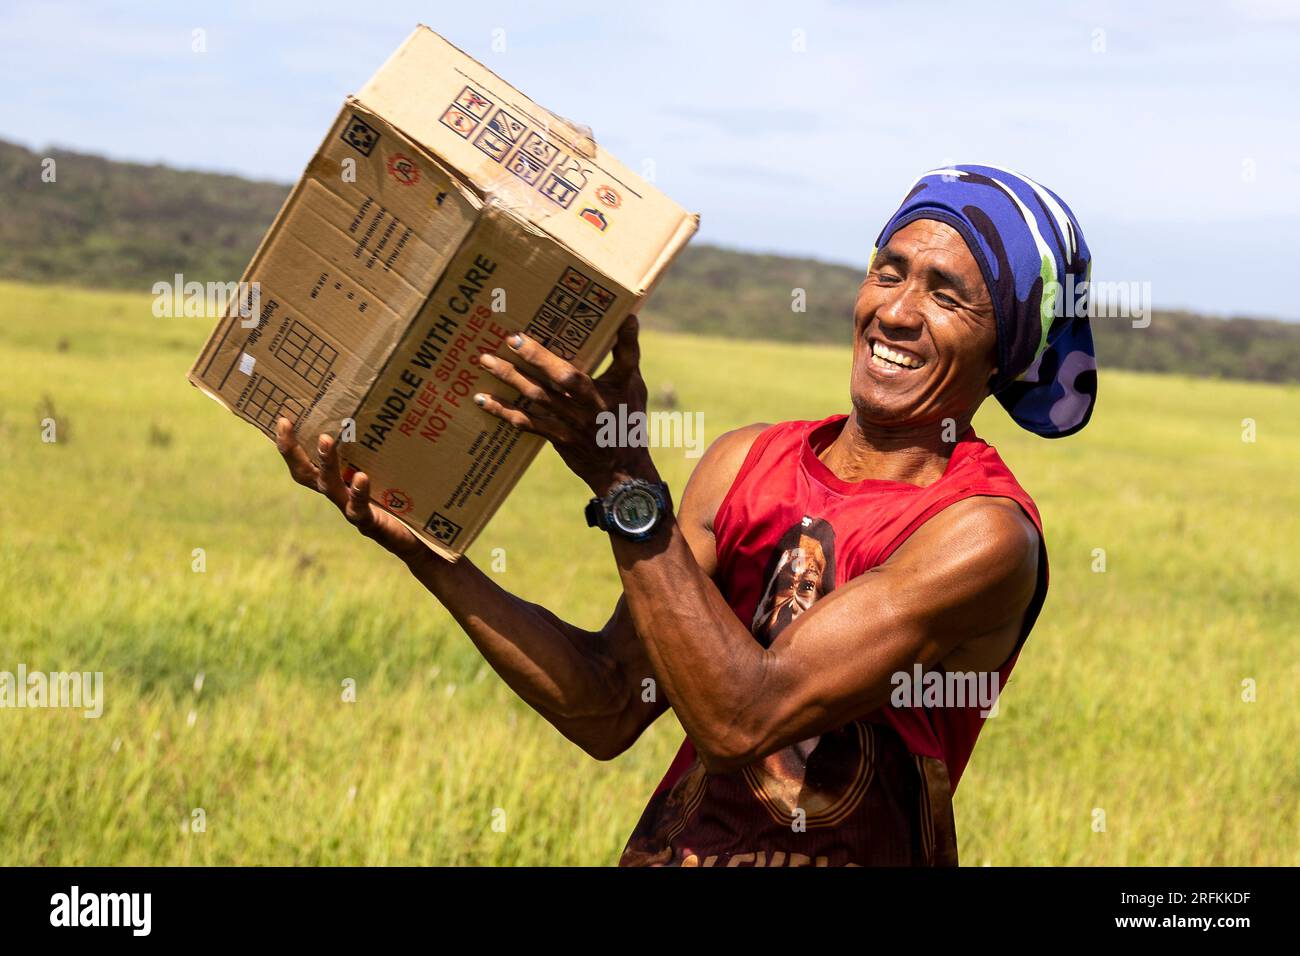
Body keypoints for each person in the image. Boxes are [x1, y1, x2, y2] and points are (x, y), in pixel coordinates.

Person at [275, 164, 1096, 866]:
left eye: (946, 294)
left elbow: (744, 718)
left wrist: (623, 477)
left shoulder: (978, 534)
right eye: (889, 271)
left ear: (1009, 346)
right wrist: (423, 546)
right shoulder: (747, 465)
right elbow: (606, 703)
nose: (896, 311)